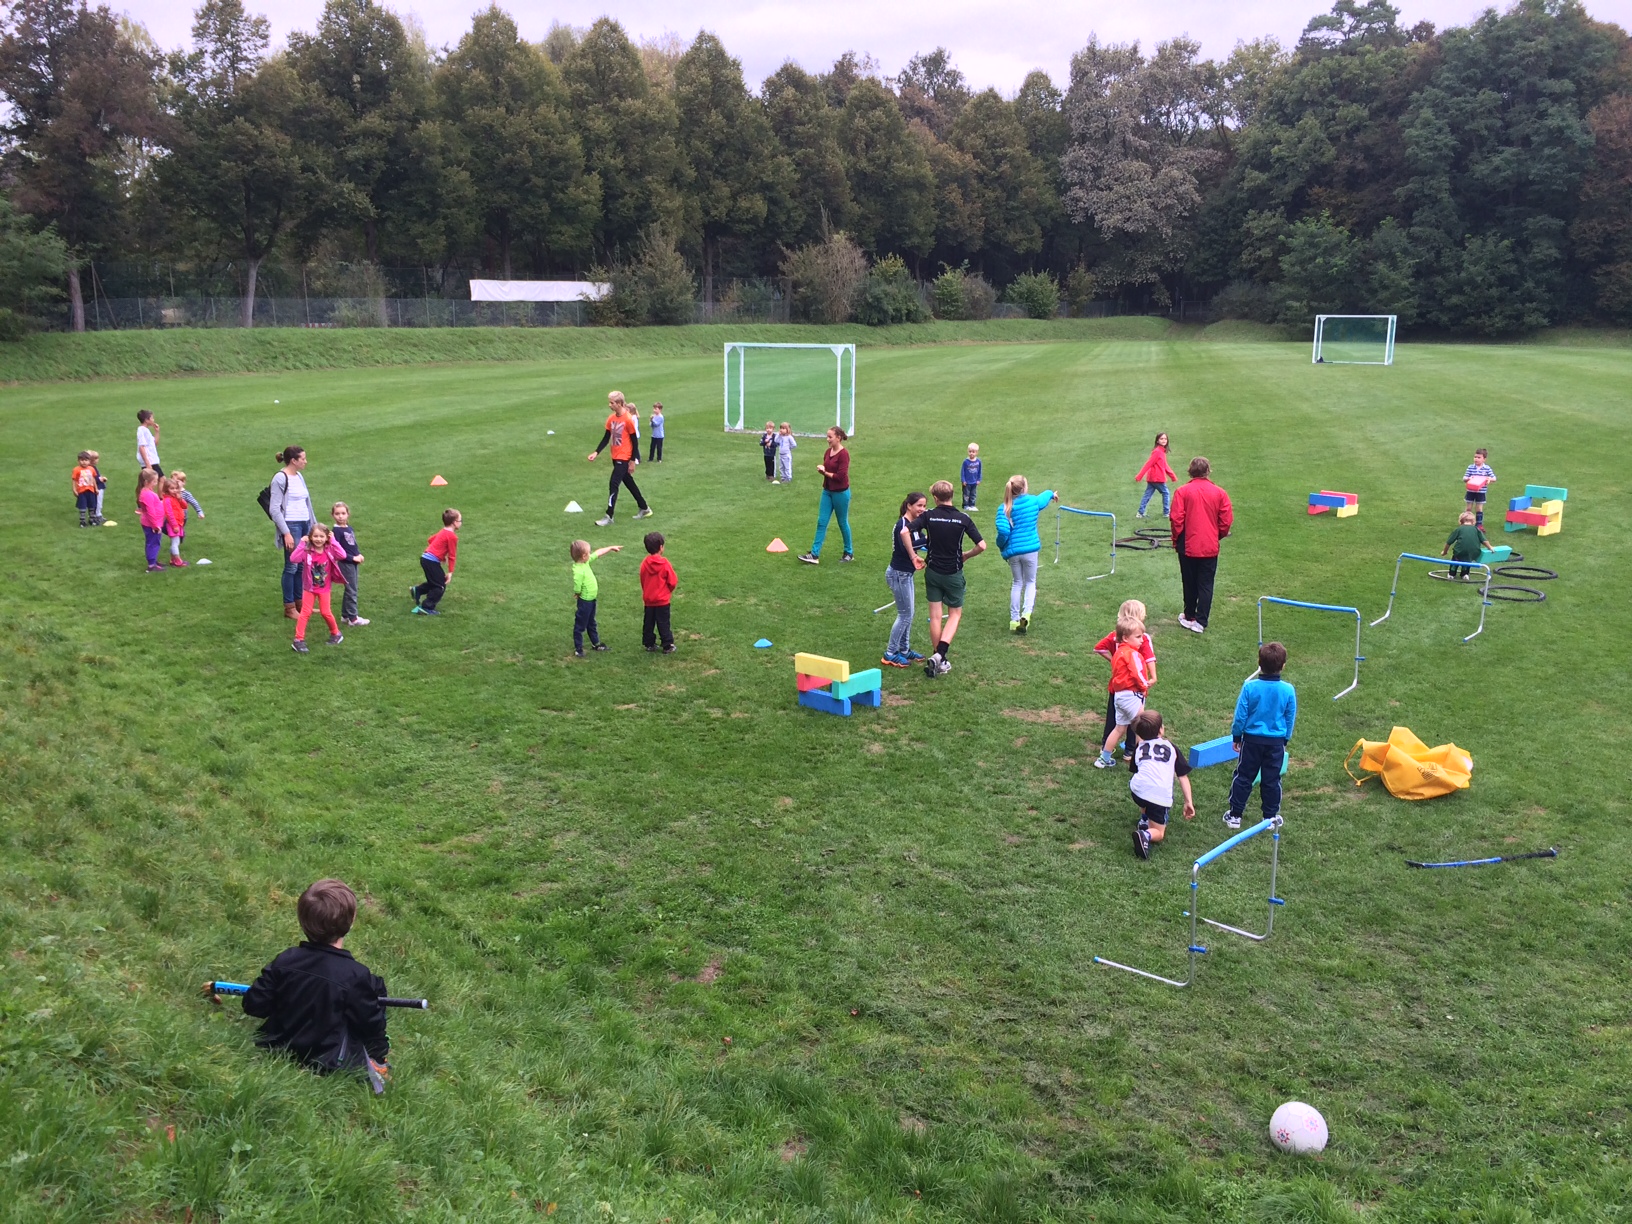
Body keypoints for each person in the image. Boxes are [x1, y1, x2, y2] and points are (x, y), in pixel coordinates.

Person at [241, 878, 390, 1087]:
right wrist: (380, 1055)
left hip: (275, 1045)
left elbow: (254, 1005)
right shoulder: (357, 976)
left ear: (302, 920)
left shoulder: (286, 960)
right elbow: (371, 1024)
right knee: (374, 995)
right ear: (352, 920)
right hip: (328, 1062)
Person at [1224, 641, 1297, 830]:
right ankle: (1270, 818)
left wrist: (1236, 736)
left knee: (1244, 776)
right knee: (1272, 780)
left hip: (1251, 741)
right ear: (1283, 666)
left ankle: (1235, 816)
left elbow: (1240, 716)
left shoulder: (1250, 687)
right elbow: (1290, 717)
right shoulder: (1288, 690)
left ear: (1259, 663)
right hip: (1276, 743)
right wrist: (1285, 739)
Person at [920, 480, 986, 676]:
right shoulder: (963, 518)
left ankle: (937, 658)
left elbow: (907, 530)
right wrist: (966, 555)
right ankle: (941, 654)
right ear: (952, 495)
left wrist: (913, 553)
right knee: (955, 614)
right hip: (953, 573)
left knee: (935, 617)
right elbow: (982, 545)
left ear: (934, 497)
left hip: (932, 571)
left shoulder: (929, 516)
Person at [1169, 456, 1233, 634]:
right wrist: (1216, 535)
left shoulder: (1182, 492)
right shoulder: (1219, 493)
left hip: (1188, 545)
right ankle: (1200, 621)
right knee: (1206, 583)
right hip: (1209, 545)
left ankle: (1190, 615)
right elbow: (1226, 521)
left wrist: (1177, 538)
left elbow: (1176, 519)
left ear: (1191, 471)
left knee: (1189, 582)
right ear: (1207, 471)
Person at [1127, 709, 1196, 860]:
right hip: (1159, 797)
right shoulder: (1172, 748)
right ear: (1161, 729)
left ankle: (1144, 817)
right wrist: (1188, 802)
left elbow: (1134, 769)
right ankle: (1146, 834)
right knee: (1159, 833)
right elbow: (1183, 777)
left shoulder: (1139, 747)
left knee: (1144, 787)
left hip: (1137, 791)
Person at [992, 474, 1057, 634]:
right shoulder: (1033, 501)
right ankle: (1026, 613)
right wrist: (1051, 494)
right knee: (1030, 582)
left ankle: (1014, 620)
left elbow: (1003, 531)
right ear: (1024, 488)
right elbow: (1042, 499)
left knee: (1017, 583)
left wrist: (1001, 546)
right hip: (1031, 550)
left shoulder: (1004, 508)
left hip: (1014, 553)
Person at [1093, 598, 1157, 756]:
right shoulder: (1142, 638)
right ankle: (1131, 751)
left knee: (1114, 719)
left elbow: (1099, 648)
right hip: (1135, 688)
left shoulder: (1116, 636)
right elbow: (1149, 658)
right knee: (1136, 721)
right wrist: (1152, 678)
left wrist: (1113, 660)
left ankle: (1105, 749)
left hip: (1116, 686)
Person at [588, 391, 652, 527]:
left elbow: (635, 442)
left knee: (613, 483)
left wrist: (632, 461)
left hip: (624, 457)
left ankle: (609, 515)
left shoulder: (628, 420)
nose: (609, 405)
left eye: (612, 403)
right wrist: (596, 452)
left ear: (620, 403)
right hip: (615, 456)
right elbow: (606, 437)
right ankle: (644, 508)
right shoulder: (611, 419)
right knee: (629, 483)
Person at [882, 491, 930, 668]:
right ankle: (890, 653)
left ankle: (904, 650)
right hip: (898, 574)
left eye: (924, 506)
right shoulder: (902, 525)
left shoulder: (915, 524)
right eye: (919, 505)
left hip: (906, 574)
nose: (922, 509)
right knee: (905, 615)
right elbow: (905, 548)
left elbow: (922, 540)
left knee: (908, 613)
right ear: (909, 505)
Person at [1095, 617, 1149, 768]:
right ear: (1125, 637)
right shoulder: (1133, 654)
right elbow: (1136, 673)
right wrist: (1145, 686)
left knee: (1119, 728)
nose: (1142, 640)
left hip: (1118, 696)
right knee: (1140, 727)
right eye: (1138, 637)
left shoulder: (1118, 653)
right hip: (1132, 695)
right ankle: (1141, 761)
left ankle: (1104, 758)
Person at [269, 446, 315, 619]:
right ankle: (289, 608)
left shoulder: (299, 476)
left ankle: (299, 603)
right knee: (291, 566)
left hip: (304, 524)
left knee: (301, 566)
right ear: (293, 461)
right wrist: (286, 533)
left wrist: (313, 526)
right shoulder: (280, 479)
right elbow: (274, 509)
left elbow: (307, 503)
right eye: (303, 458)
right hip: (291, 525)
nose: (305, 461)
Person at [288, 522, 347, 653]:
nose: (318, 539)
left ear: (326, 537)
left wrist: (334, 541)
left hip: (324, 589)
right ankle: (298, 640)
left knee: (326, 612)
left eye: (322, 536)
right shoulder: (307, 551)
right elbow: (293, 558)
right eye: (315, 536)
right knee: (305, 613)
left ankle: (336, 633)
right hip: (309, 588)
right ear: (310, 537)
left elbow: (342, 555)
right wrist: (301, 544)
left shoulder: (330, 549)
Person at [798, 427, 853, 564]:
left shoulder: (844, 454)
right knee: (821, 522)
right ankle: (814, 554)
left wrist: (825, 473)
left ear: (838, 438)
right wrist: (824, 469)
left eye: (830, 437)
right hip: (827, 491)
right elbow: (827, 467)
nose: (827, 439)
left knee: (842, 522)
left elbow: (841, 476)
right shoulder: (828, 452)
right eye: (827, 436)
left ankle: (849, 552)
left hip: (840, 493)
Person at [570, 539, 620, 656]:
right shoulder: (578, 570)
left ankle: (596, 644)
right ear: (584, 556)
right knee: (580, 625)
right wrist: (577, 593)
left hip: (591, 600)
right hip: (585, 602)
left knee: (591, 622)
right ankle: (578, 649)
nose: (591, 553)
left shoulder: (585, 562)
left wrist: (611, 547)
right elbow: (577, 584)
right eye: (589, 552)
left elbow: (598, 553)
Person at [410, 509, 461, 616]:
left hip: (425, 558)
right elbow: (452, 555)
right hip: (431, 561)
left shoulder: (443, 531)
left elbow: (430, 540)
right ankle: (426, 607)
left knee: (436, 581)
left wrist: (440, 555)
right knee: (440, 586)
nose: (461, 523)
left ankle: (417, 590)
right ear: (454, 522)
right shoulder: (452, 536)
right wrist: (450, 572)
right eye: (460, 520)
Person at [639, 531, 679, 653]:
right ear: (661, 547)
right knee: (663, 622)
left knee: (648, 623)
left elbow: (642, 578)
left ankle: (649, 643)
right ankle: (667, 645)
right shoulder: (665, 564)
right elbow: (673, 581)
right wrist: (667, 592)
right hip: (662, 600)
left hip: (649, 599)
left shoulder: (645, 563)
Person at [331, 502, 368, 626]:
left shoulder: (348, 528)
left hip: (353, 562)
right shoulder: (336, 532)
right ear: (333, 515)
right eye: (337, 514)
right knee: (352, 589)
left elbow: (352, 545)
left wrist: (359, 554)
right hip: (345, 563)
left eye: (343, 513)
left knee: (350, 588)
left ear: (348, 514)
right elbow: (337, 552)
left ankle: (345, 615)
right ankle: (353, 618)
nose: (340, 516)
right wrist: (353, 558)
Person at [1134, 432, 1177, 518]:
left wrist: (1172, 476)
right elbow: (1148, 464)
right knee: (1166, 493)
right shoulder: (1157, 452)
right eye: (1161, 439)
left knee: (1148, 494)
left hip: (1152, 478)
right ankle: (1166, 512)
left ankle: (1140, 513)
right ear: (1157, 441)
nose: (1164, 440)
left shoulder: (1161, 451)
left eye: (1165, 439)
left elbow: (1165, 465)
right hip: (1157, 478)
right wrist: (1140, 476)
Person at [1441, 510, 1488, 580]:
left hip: (1460, 551)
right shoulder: (1476, 529)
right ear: (1473, 522)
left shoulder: (1459, 529)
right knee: (1467, 561)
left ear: (1460, 521)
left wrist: (1444, 552)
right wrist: (1490, 547)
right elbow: (1484, 540)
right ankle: (1465, 574)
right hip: (1473, 552)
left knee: (1455, 560)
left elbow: (1449, 542)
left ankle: (1451, 574)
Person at [136, 468, 165, 572]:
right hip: (152, 524)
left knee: (155, 542)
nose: (156, 483)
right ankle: (152, 564)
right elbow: (150, 511)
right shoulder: (147, 494)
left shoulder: (147, 492)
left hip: (153, 523)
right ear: (146, 482)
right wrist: (155, 525)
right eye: (154, 481)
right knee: (153, 543)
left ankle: (154, 560)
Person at [160, 475, 190, 567]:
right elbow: (169, 514)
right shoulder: (167, 500)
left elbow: (185, 506)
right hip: (174, 524)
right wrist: (174, 525)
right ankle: (177, 560)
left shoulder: (175, 497)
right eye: (172, 489)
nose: (175, 490)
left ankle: (173, 560)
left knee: (176, 542)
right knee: (175, 542)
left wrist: (180, 498)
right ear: (166, 489)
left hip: (179, 523)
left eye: (176, 488)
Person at [1463, 447, 1495, 527]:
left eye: (1479, 457)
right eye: (1475, 457)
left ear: (1484, 459)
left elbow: (1494, 478)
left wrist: (1489, 479)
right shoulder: (1470, 467)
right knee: (1468, 508)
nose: (1476, 459)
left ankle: (1479, 524)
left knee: (1479, 508)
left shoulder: (1487, 468)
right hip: (1470, 491)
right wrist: (1468, 478)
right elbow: (1464, 478)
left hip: (1481, 492)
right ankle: (1466, 522)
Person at [72, 451, 98, 526]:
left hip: (91, 490)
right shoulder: (76, 470)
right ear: (78, 461)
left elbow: (93, 479)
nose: (84, 462)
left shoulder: (91, 469)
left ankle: (92, 519)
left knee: (92, 505)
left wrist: (96, 488)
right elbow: (74, 480)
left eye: (86, 460)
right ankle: (82, 521)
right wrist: (74, 489)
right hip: (82, 491)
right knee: (82, 506)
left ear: (89, 461)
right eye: (82, 460)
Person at [136, 409, 161, 477]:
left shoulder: (146, 430)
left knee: (159, 479)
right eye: (152, 418)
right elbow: (141, 447)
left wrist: (157, 432)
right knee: (161, 479)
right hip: (150, 461)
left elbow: (155, 443)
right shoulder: (141, 430)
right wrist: (147, 463)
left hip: (152, 460)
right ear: (147, 420)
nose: (153, 419)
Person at [961, 443, 982, 511]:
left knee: (973, 494)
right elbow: (963, 472)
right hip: (967, 482)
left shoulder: (978, 461)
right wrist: (963, 480)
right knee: (966, 494)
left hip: (974, 481)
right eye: (970, 452)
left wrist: (978, 479)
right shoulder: (966, 462)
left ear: (977, 452)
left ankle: (972, 505)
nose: (971, 453)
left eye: (973, 452)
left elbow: (979, 471)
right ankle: (966, 505)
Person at [87, 451, 107, 524]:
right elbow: (93, 479)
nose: (98, 460)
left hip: (98, 487)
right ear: (92, 460)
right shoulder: (91, 468)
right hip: (97, 488)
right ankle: (97, 515)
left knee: (98, 502)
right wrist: (101, 479)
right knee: (98, 502)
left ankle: (96, 515)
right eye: (96, 458)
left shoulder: (93, 468)